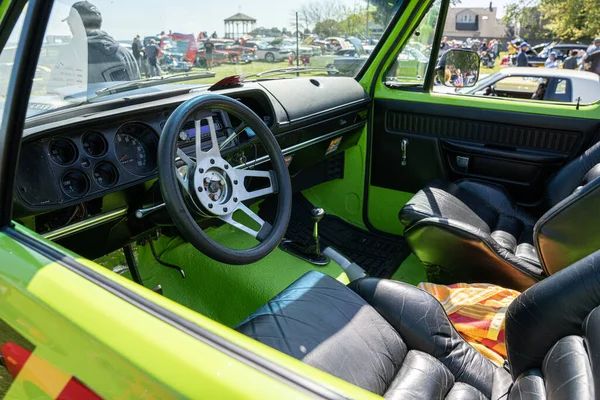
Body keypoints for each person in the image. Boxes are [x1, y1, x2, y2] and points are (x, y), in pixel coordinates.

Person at [60, 1, 140, 85]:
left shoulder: (69, 53)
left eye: (69, 23)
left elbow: (56, 92)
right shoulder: (126, 53)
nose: (69, 27)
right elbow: (137, 91)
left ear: (76, 23)